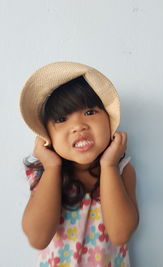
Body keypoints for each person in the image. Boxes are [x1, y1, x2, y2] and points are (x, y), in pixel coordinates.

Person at [19, 62, 139, 267]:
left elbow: (120, 234)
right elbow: (38, 238)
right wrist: (52, 167)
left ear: (109, 120)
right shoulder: (44, 172)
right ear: (47, 135)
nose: (78, 126)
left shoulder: (120, 170)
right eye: (62, 118)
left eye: (90, 112)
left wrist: (109, 166)